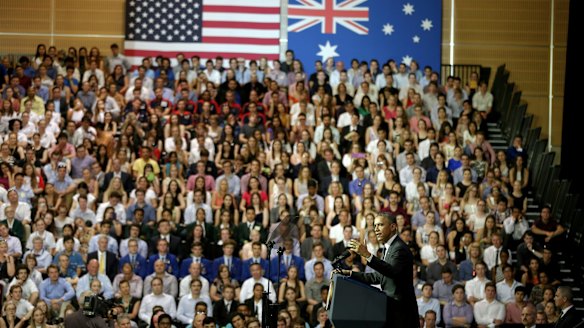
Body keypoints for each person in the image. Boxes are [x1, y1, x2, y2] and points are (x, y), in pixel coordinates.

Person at [336, 213, 418, 328]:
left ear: (393, 227)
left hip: (402, 313)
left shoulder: (399, 248)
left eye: (380, 225)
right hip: (390, 310)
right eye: (375, 226)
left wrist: (367, 255)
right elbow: (378, 277)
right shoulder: (387, 248)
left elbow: (391, 271)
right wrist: (349, 274)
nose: (376, 229)